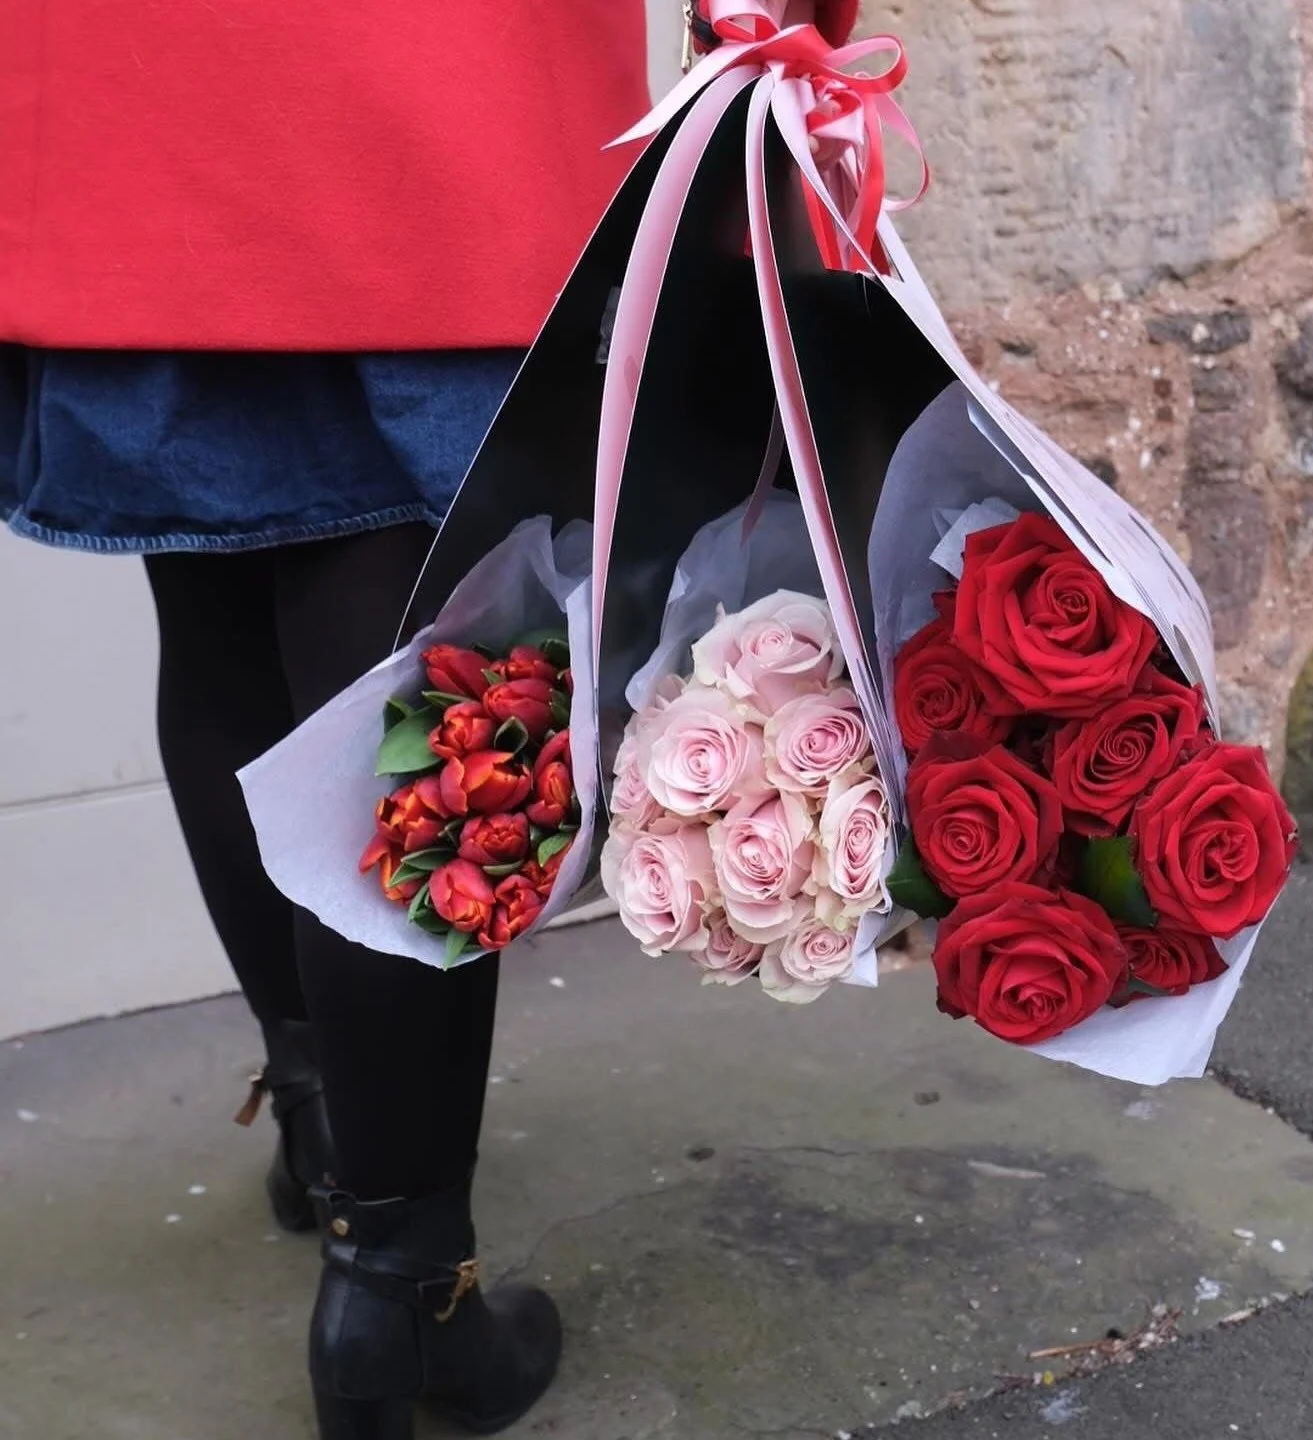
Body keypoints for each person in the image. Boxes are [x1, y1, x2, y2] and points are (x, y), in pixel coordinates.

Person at [0, 1, 857, 1435]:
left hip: (125, 80)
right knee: (431, 656)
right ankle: (399, 1288)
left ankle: (332, 1122)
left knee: (219, 598)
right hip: (431, 83)